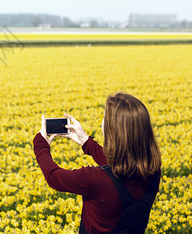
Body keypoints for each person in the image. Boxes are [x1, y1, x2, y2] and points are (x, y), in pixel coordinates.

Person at [33, 92, 162, 233]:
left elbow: (54, 178)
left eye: (105, 118)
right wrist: (86, 142)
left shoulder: (94, 179)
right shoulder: (153, 170)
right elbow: (119, 169)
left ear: (112, 130)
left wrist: (41, 145)